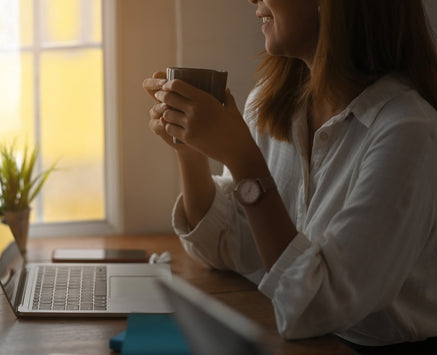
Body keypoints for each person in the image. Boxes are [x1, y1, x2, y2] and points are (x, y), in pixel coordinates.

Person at [143, 0, 437, 353]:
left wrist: (243, 159)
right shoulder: (272, 103)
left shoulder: (407, 131)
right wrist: (190, 152)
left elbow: (314, 308)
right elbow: (227, 247)